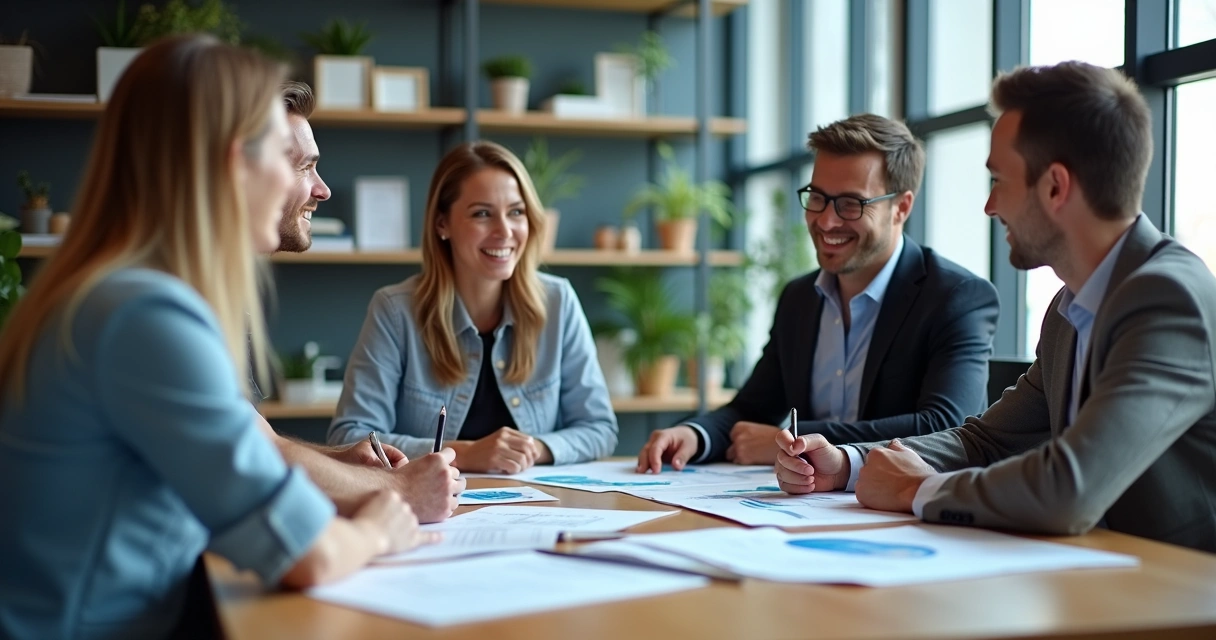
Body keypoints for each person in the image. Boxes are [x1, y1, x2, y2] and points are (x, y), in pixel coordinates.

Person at [0, 36, 432, 639]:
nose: (314, 187)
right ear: (235, 163)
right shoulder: (145, 315)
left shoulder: (113, 291)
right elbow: (308, 554)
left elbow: (248, 457)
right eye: (285, 157)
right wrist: (378, 529)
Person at [775, 61, 1216, 554]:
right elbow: (985, 440)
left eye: (1000, 181)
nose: (989, 207)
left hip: (1180, 584)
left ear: (1055, 187)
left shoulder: (1167, 298)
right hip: (1098, 571)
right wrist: (849, 463)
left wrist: (917, 490)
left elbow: (1070, 488)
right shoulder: (1070, 308)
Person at [638, 114, 999, 473]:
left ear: (901, 207)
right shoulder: (799, 298)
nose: (826, 221)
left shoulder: (956, 297)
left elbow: (946, 427)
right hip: (808, 500)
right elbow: (752, 408)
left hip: (907, 501)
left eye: (851, 203)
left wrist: (797, 439)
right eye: (817, 197)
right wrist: (694, 434)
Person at [328, 141, 618, 473]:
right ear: (442, 224)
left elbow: (600, 428)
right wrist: (464, 454)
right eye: (482, 214)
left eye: (516, 212)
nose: (504, 231)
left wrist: (531, 449)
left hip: (536, 498)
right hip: (429, 499)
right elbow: (350, 437)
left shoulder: (558, 301)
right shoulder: (395, 311)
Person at [253, 81, 463, 524]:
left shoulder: (209, 293)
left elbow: (256, 439)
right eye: (304, 167)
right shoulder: (169, 300)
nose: (323, 190)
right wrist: (399, 490)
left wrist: (341, 462)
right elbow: (249, 457)